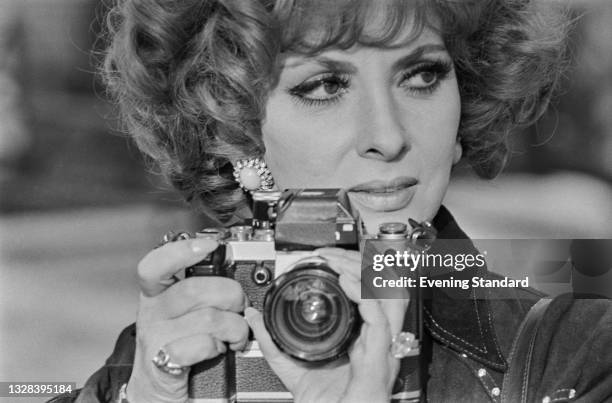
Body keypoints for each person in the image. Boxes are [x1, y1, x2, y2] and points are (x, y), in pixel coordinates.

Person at [51, 0, 612, 402]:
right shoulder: (179, 344)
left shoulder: (575, 353)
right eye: (323, 86)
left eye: (421, 75)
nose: (388, 136)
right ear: (237, 129)